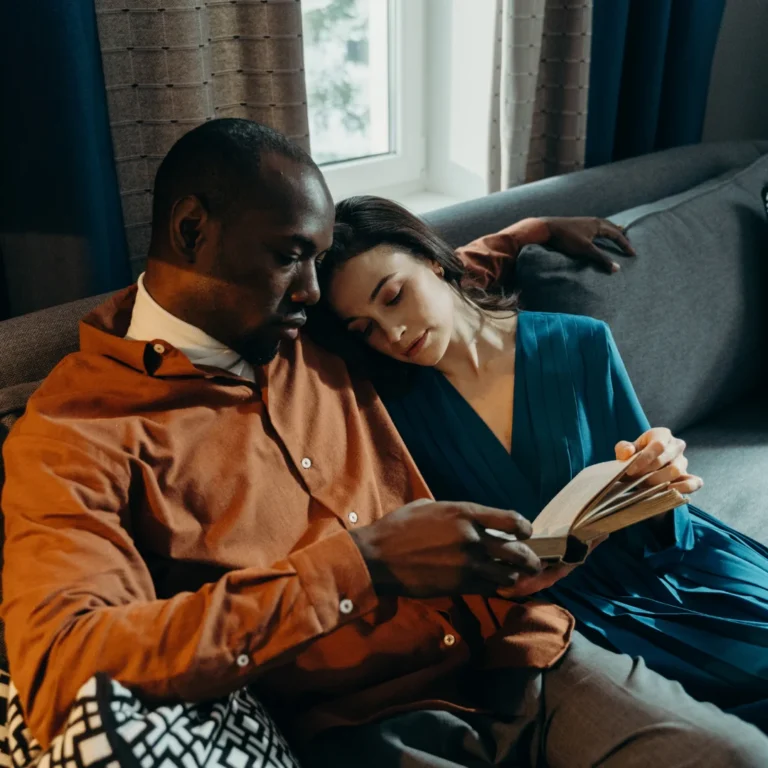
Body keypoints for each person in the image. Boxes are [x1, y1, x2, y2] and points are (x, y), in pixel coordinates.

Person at [2, 120, 767, 768]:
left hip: (525, 647)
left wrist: (527, 234)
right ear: (193, 230)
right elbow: (62, 659)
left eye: (316, 259)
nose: (309, 289)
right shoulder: (76, 434)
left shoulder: (312, 328)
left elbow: (419, 279)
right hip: (369, 724)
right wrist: (360, 566)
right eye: (290, 254)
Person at [315, 194, 768, 737]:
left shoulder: (580, 344)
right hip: (560, 610)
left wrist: (663, 472)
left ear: (432, 259)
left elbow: (662, 518)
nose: (391, 335)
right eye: (363, 328)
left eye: (393, 296)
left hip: (668, 567)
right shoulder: (389, 414)